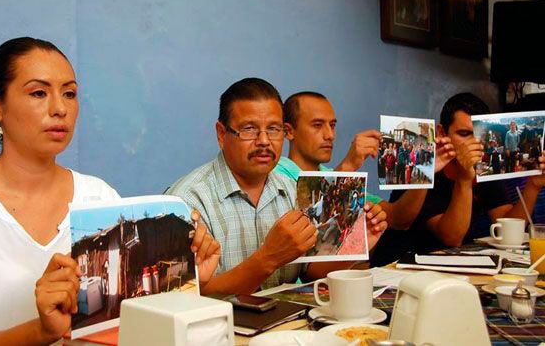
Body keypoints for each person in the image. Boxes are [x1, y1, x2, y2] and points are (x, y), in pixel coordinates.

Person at [0, 37, 220, 345]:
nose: (60, 108)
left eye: (70, 93)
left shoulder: (98, 197)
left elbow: (131, 318)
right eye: (38, 93)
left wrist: (188, 283)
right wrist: (43, 331)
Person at [166, 79, 387, 295]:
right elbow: (181, 298)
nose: (264, 141)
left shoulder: (292, 189)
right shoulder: (187, 202)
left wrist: (355, 244)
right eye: (249, 129)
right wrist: (268, 258)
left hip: (287, 328)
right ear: (222, 134)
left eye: (273, 129)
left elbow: (310, 273)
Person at [371, 93, 545, 266]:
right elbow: (451, 237)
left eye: (478, 135)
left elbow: (507, 225)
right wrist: (464, 180)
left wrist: (533, 186)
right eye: (463, 134)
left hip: (454, 266)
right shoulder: (422, 166)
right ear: (441, 132)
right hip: (401, 267)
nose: (472, 143)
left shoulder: (482, 166)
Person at [275, 91, 455, 251]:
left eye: (332, 125)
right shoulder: (277, 174)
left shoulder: (330, 172)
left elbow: (398, 219)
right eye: (317, 125)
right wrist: (348, 167)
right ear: (289, 131)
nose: (330, 134)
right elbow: (312, 231)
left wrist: (423, 172)